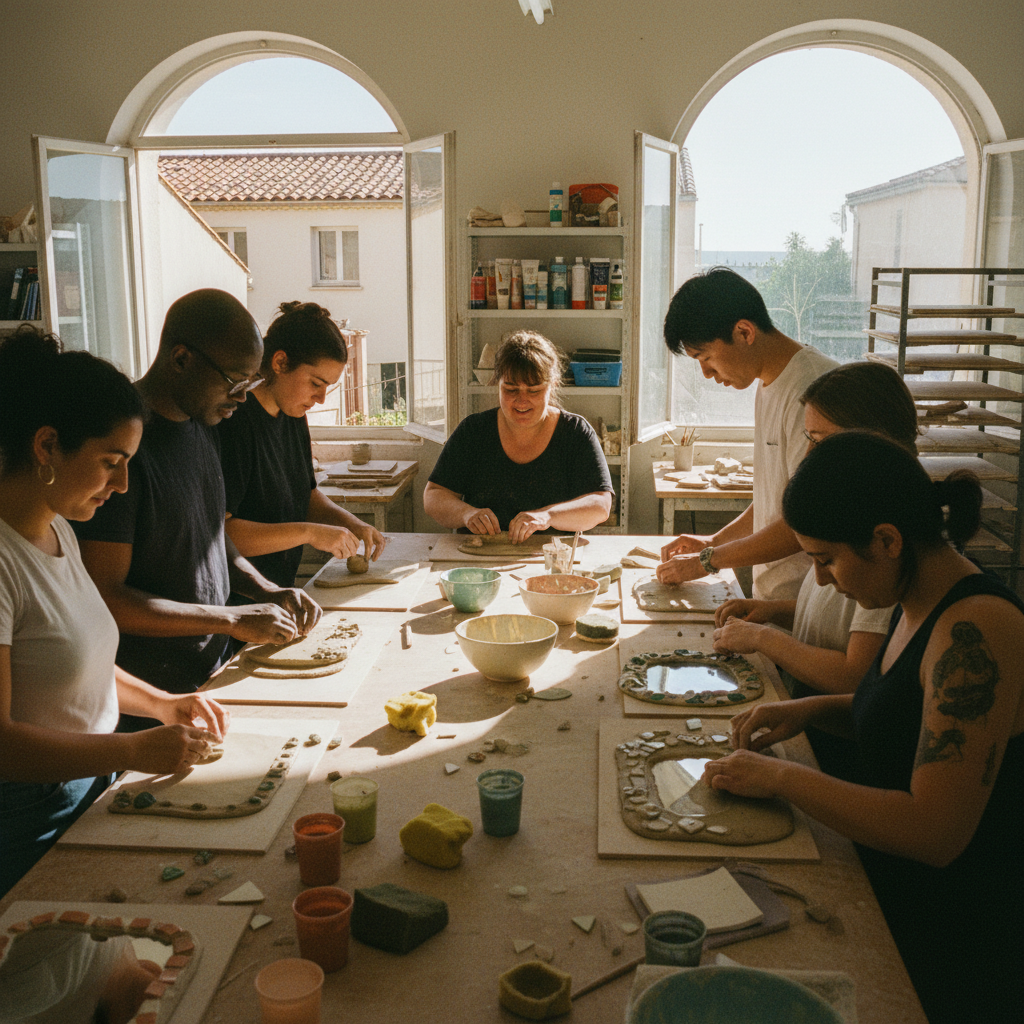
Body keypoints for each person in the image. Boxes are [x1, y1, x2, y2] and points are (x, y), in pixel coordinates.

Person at [702, 431, 1023, 1024]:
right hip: (891, 878)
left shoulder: (976, 630)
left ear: (886, 540)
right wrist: (807, 711)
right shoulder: (916, 595)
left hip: (958, 930)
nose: (820, 580)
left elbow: (935, 830)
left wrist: (782, 778)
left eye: (825, 559)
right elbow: (904, 719)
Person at [0, 326, 227, 899]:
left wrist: (161, 704)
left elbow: (83, 664)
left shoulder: (58, 527)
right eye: (110, 461)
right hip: (28, 821)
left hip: (88, 783)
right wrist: (131, 748)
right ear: (47, 445)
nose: (123, 484)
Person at [74, 289, 320, 708]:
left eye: (251, 382)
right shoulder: (119, 451)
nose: (243, 397)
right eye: (234, 381)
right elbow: (108, 597)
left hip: (207, 674)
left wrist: (264, 589)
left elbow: (211, 535)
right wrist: (231, 619)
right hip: (147, 699)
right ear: (181, 358)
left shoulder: (202, 424)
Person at [710, 362, 917, 775]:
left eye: (819, 441)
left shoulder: (878, 547)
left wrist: (764, 637)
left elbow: (855, 675)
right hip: (824, 718)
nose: (807, 456)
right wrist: (776, 612)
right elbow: (842, 620)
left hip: (850, 756)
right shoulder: (850, 514)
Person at [657, 267, 838, 600]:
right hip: (774, 599)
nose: (707, 373)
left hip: (811, 601)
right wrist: (713, 543)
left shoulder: (816, 390)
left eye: (706, 357)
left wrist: (708, 561)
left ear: (744, 332)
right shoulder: (768, 381)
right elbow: (775, 503)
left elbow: (807, 521)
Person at [218, 301, 386, 589]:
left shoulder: (293, 414)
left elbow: (305, 495)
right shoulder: (235, 423)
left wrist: (351, 524)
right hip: (238, 597)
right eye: (315, 383)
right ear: (280, 362)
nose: (320, 398)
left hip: (278, 589)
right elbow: (222, 533)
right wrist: (309, 533)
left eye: (327, 388)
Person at [424, 330, 613, 541]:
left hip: (550, 559)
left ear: (553, 385)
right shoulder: (473, 431)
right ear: (497, 383)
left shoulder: (575, 432)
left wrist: (547, 516)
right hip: (478, 561)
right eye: (511, 389)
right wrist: (466, 513)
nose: (522, 401)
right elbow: (434, 495)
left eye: (533, 391)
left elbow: (600, 505)